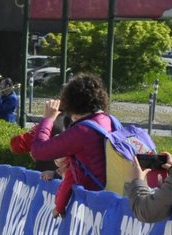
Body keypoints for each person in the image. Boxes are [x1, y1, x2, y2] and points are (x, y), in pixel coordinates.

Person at [27, 74, 114, 216]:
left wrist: (48, 119)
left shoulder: (82, 131)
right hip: (112, 198)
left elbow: (38, 151)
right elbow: (89, 163)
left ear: (70, 102)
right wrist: (56, 174)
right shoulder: (108, 120)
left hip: (92, 207)